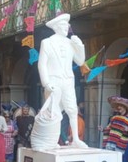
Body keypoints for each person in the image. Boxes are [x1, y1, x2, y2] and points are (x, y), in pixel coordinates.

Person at [37, 13, 89, 149]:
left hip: (68, 80)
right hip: (54, 80)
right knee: (54, 111)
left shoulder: (70, 43)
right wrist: (46, 83)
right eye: (64, 25)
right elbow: (41, 64)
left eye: (67, 25)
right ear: (56, 27)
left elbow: (80, 61)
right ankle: (53, 140)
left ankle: (76, 139)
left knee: (72, 109)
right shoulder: (47, 42)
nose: (67, 28)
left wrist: (80, 46)